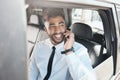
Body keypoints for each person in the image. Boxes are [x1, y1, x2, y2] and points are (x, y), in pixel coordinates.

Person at [29, 8, 96, 80]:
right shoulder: (39, 47)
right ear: (45, 30)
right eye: (52, 26)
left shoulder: (79, 49)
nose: (57, 30)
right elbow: (31, 73)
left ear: (66, 27)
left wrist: (69, 51)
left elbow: (88, 78)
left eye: (61, 25)